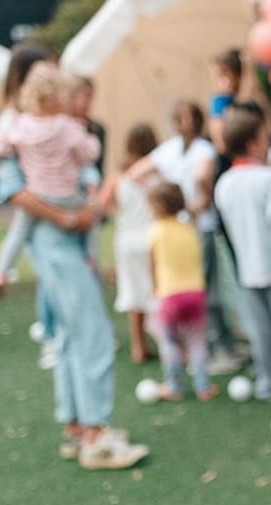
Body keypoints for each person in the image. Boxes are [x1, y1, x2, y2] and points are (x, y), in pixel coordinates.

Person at [0, 47, 148, 470]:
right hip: (56, 240)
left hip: (63, 240)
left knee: (73, 336)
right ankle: (95, 434)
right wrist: (69, 215)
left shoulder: (24, 125)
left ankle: (79, 427)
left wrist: (89, 200)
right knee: (91, 333)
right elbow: (15, 193)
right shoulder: (24, 124)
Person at [0, 61, 103, 370]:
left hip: (36, 195)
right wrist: (86, 143)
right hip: (66, 198)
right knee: (91, 220)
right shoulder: (67, 127)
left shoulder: (18, 126)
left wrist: (4, 157)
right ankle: (91, 259)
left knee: (17, 233)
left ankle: (0, 272)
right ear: (60, 95)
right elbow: (89, 153)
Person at [129, 100, 244, 374]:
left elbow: (137, 173)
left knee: (198, 287)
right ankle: (214, 348)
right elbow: (201, 180)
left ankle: (214, 345)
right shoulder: (187, 150)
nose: (184, 124)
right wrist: (175, 200)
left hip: (185, 226)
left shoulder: (184, 150)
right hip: (195, 227)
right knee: (205, 288)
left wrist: (166, 197)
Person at [214, 108, 271, 402]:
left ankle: (267, 382)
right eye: (264, 138)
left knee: (260, 330)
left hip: (247, 268)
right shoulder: (267, 178)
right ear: (253, 144)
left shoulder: (223, 184)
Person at [146, 182, 219, 402]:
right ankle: (203, 386)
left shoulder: (156, 231)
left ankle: (173, 386)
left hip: (170, 295)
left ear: (159, 207)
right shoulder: (189, 229)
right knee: (197, 341)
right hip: (195, 293)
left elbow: (152, 264)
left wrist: (155, 287)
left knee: (169, 342)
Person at [96, 123, 159, 363]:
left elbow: (101, 205)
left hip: (127, 239)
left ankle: (138, 346)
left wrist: (118, 210)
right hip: (152, 237)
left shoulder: (117, 177)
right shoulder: (154, 173)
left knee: (134, 293)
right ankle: (168, 343)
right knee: (156, 290)